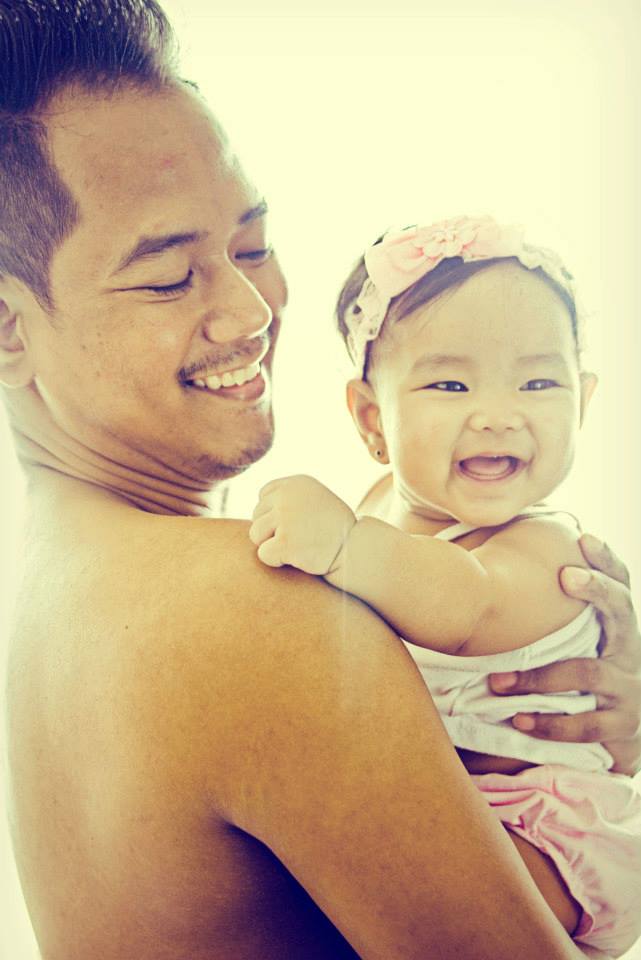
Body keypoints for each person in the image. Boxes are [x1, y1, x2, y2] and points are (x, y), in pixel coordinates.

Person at [0, 3, 639, 958]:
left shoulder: (58, 583)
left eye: (252, 245)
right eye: (168, 277)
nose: (251, 310)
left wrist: (552, 726)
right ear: (9, 328)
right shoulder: (253, 615)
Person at [248, 215, 641, 956]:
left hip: (541, 828)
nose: (497, 415)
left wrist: (342, 545)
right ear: (372, 420)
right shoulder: (377, 511)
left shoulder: (547, 551)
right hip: (447, 806)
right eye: (450, 383)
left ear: (583, 403)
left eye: (538, 381)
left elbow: (464, 604)